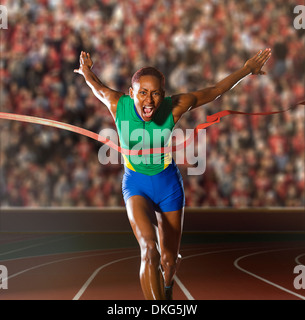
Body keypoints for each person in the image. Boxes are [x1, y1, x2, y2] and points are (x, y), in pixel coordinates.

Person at [74, 48, 271, 300]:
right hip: (136, 185)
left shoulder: (175, 107)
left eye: (155, 93)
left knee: (168, 260)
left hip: (168, 186)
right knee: (149, 250)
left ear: (163, 95)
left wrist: (246, 70)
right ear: (131, 93)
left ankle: (167, 289)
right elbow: (97, 86)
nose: (149, 100)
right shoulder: (117, 104)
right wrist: (87, 70)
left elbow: (213, 92)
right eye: (142, 93)